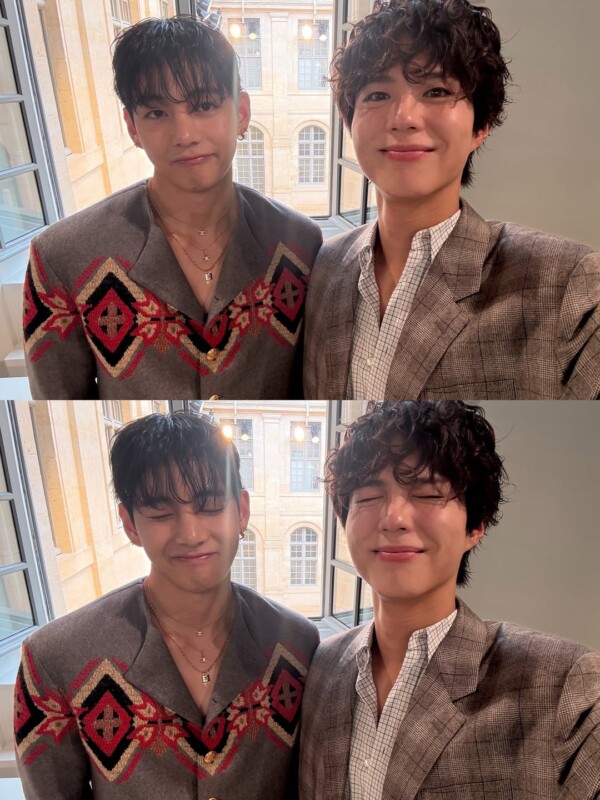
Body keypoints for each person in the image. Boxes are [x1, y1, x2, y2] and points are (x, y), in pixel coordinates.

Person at [299, 401, 600, 798]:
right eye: (369, 495)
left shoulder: (563, 686)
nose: (393, 518)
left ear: (476, 525)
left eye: (427, 493)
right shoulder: (323, 665)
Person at [303, 0, 600, 400]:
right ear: (349, 121)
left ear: (481, 125)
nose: (403, 117)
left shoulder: (566, 285)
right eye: (377, 94)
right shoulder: (326, 264)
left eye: (437, 91)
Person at [14, 411, 320, 798]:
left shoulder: (297, 644)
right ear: (130, 524)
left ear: (242, 511)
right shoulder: (55, 658)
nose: (190, 534)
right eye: (160, 513)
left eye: (210, 506)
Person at [23, 16, 322, 399]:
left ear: (241, 113)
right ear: (132, 127)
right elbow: (57, 399)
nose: (185, 134)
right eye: (157, 113)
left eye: (205, 105)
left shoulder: (300, 245)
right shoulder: (62, 257)